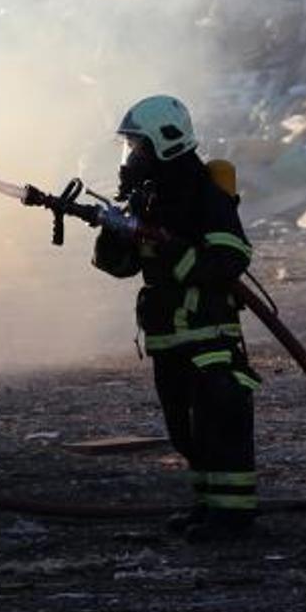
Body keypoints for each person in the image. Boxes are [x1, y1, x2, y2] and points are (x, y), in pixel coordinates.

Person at [92, 95, 259, 542]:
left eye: (139, 147)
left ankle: (234, 516)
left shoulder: (204, 193)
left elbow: (230, 256)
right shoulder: (147, 200)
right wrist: (114, 231)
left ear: (166, 144)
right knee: (185, 432)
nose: (132, 158)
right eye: (129, 148)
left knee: (219, 422)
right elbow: (120, 267)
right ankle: (208, 506)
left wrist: (172, 249)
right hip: (167, 337)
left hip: (208, 335)